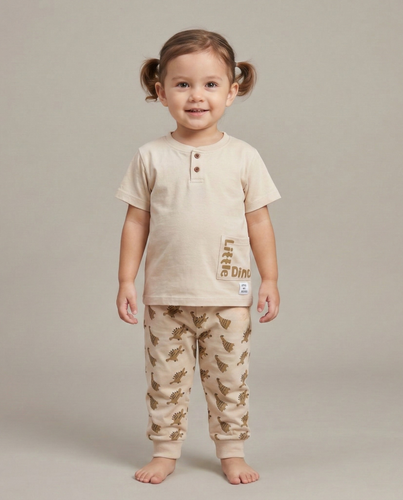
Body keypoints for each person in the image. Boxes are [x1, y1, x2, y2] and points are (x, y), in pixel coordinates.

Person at [115, 29, 281, 485]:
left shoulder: (244, 157)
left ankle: (232, 452)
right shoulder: (150, 156)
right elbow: (136, 222)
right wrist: (126, 280)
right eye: (183, 84)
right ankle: (165, 450)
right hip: (166, 295)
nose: (196, 96)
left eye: (210, 84)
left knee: (230, 380)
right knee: (164, 379)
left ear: (232, 90)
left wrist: (269, 279)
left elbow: (260, 223)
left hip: (228, 294)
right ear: (161, 90)